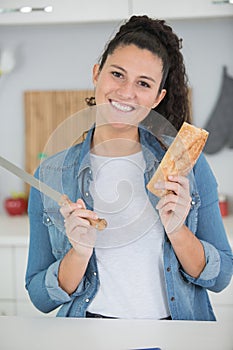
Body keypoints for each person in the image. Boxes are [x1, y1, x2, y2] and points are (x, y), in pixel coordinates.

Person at [25, 15, 233, 320]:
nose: (126, 92)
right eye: (117, 74)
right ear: (97, 74)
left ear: (157, 97)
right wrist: (79, 253)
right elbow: (40, 298)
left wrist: (178, 231)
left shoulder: (188, 165)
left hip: (175, 333)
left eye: (144, 83)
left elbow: (221, 277)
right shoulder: (52, 174)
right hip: (89, 334)